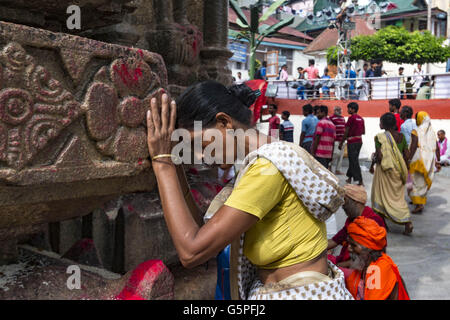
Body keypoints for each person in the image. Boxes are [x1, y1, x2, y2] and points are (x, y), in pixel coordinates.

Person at [145, 80, 352, 300]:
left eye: (201, 145)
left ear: (224, 122)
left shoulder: (268, 168)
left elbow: (192, 251)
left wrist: (163, 164)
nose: (201, 157)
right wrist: (173, 162)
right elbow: (200, 232)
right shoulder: (262, 162)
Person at [345, 216, 410, 300]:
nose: (349, 248)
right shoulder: (365, 265)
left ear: (368, 249)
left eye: (353, 245)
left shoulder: (378, 269)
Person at [370, 113, 413, 235]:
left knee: (379, 196)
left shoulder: (379, 137)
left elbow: (379, 156)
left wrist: (373, 163)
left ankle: (383, 224)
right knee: (398, 199)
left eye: (380, 122)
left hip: (385, 172)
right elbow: (407, 154)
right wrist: (403, 168)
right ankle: (407, 222)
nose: (379, 124)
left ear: (383, 124)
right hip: (399, 172)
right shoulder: (401, 137)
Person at [328, 185, 386, 268]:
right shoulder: (351, 220)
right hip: (350, 263)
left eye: (345, 202)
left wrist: (338, 266)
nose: (343, 206)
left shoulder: (374, 220)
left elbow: (370, 257)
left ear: (356, 202)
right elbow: (335, 241)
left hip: (363, 266)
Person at [408, 111, 441, 213]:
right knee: (422, 181)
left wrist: (408, 159)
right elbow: (437, 148)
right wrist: (438, 161)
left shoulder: (416, 131)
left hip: (417, 159)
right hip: (429, 160)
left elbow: (413, 146)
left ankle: (419, 204)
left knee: (415, 181)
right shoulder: (432, 132)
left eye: (417, 117)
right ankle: (417, 200)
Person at [339, 102, 365, 186]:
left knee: (354, 161)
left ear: (353, 109)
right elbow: (363, 132)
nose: (348, 110)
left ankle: (359, 180)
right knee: (353, 159)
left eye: (349, 108)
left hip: (352, 142)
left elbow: (346, 131)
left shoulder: (351, 118)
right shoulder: (361, 118)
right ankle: (349, 178)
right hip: (359, 141)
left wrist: (341, 142)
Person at [330, 106, 346, 174]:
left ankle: (337, 170)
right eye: (338, 110)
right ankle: (329, 166)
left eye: (340, 110)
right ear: (335, 110)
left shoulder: (343, 118)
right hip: (335, 139)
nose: (339, 111)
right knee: (335, 154)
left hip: (342, 140)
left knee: (341, 156)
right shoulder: (331, 118)